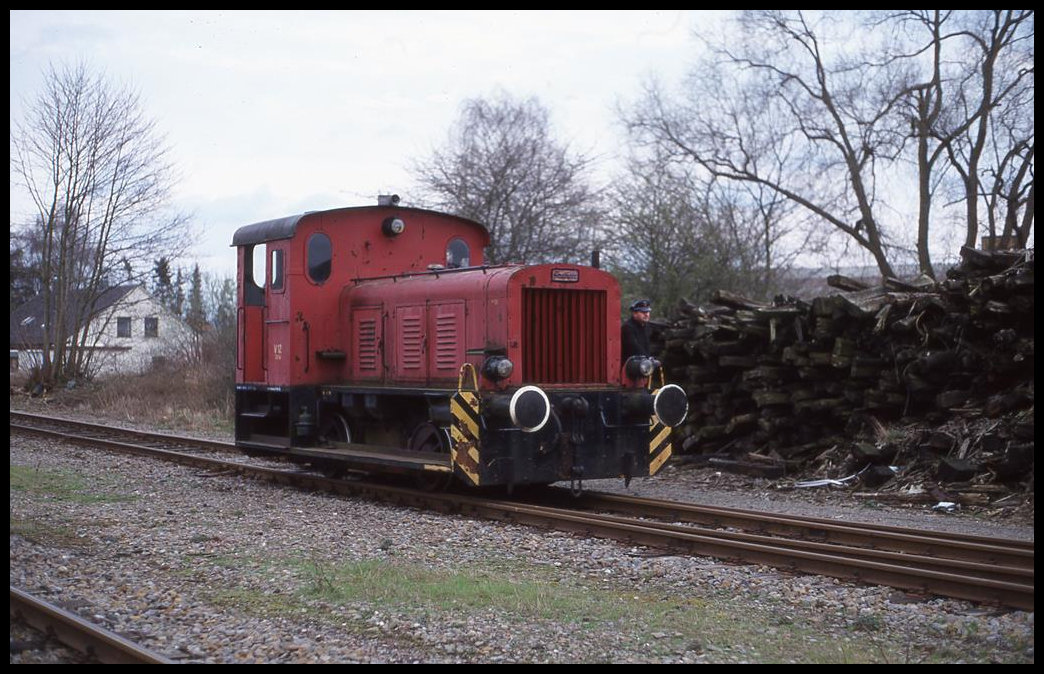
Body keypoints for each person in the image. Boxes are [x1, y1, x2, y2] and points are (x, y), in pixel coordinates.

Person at [621, 298, 653, 365]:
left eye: (648, 312)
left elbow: (647, 346)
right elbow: (635, 348)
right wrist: (648, 359)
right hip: (630, 366)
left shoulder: (646, 326)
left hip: (643, 365)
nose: (646, 314)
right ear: (634, 313)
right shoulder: (627, 328)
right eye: (643, 312)